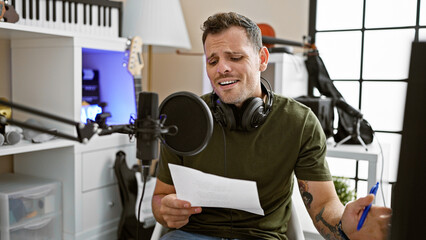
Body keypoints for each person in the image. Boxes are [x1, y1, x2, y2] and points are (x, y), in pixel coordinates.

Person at [152, 12, 391, 240]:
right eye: (212, 60)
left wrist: (344, 225)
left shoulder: (299, 122)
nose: (221, 68)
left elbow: (322, 204)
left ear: (262, 59)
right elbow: (160, 197)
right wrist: (164, 209)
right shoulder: (183, 117)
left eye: (235, 57)